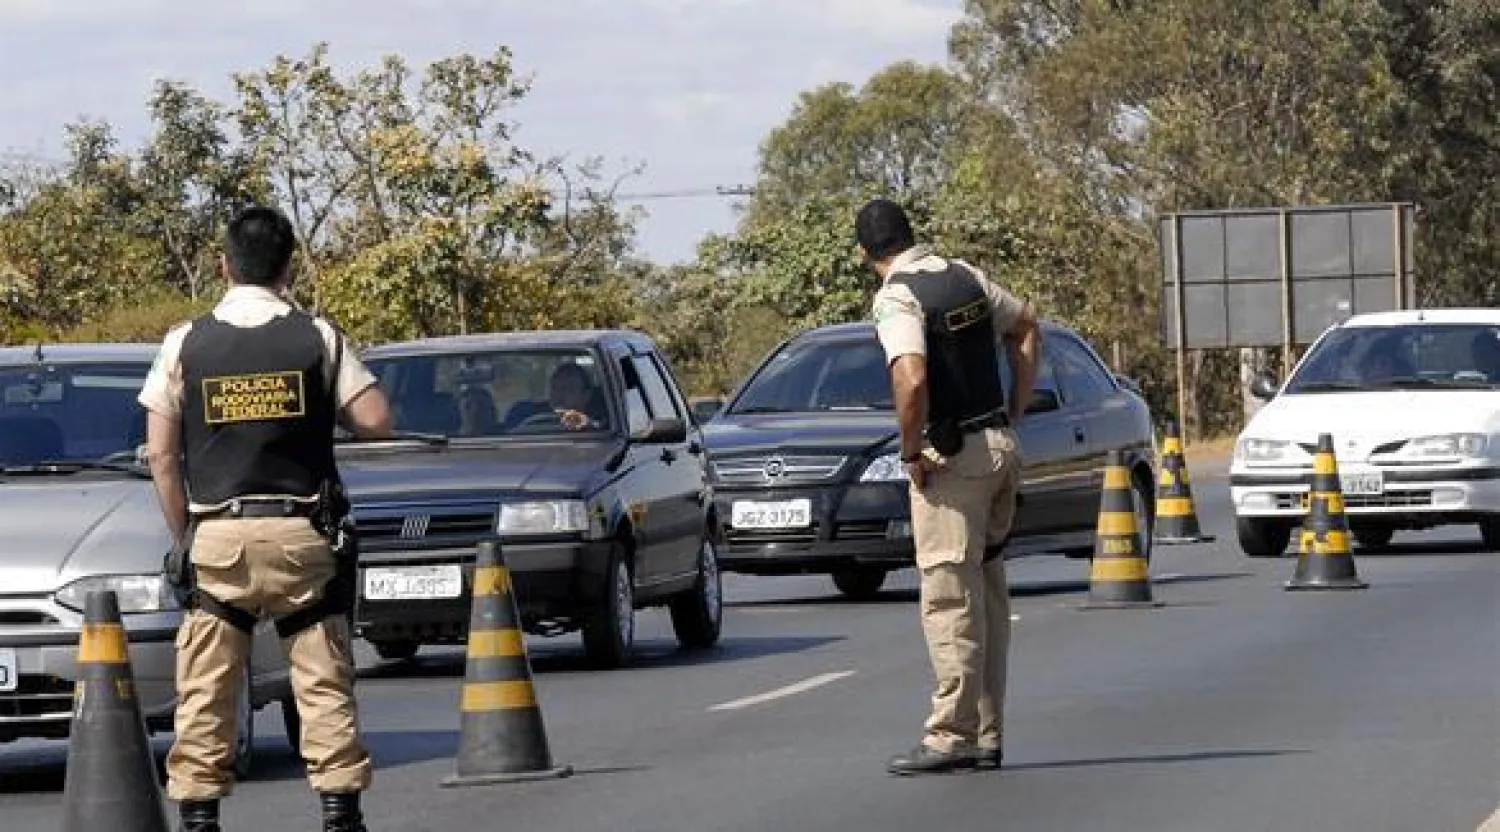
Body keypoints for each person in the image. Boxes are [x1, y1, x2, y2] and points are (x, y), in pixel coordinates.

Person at [138, 206, 394, 832]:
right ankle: (339, 814)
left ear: (223, 265)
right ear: (288, 267)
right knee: (322, 678)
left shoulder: (185, 342)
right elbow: (376, 420)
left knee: (206, 687)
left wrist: (186, 537)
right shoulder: (318, 337)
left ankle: (199, 819)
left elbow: (163, 457)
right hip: (301, 533)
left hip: (218, 534)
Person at [857, 198, 1040, 776]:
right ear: (911, 237)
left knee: (948, 597)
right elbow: (1028, 326)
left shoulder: (898, 297)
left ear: (867, 255)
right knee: (985, 593)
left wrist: (912, 452)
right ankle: (987, 733)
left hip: (952, 464)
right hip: (998, 449)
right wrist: (1015, 408)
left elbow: (910, 380)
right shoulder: (965, 276)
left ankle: (949, 736)